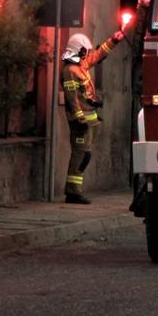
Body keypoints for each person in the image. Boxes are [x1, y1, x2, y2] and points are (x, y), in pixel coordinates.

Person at [61, 25, 129, 204]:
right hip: (80, 122)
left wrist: (114, 40)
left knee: (86, 154)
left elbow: (98, 54)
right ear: (78, 50)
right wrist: (79, 118)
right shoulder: (70, 71)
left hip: (88, 120)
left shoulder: (81, 65)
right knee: (80, 155)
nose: (87, 54)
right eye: (85, 51)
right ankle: (73, 192)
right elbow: (72, 98)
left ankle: (75, 190)